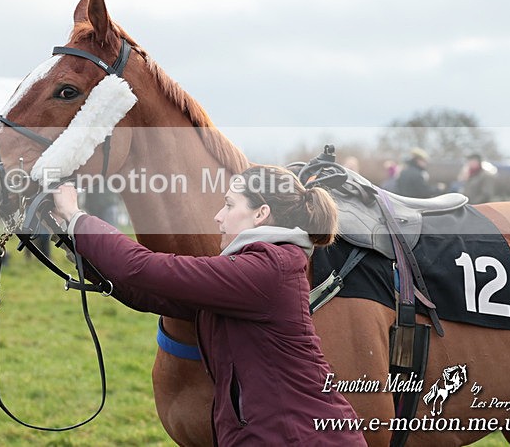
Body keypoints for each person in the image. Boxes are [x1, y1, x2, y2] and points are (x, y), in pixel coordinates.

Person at [52, 166, 366, 445]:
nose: (218, 216)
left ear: (261, 214)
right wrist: (74, 243)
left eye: (229, 205)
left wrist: (78, 218)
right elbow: (147, 293)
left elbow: (144, 268)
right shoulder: (259, 267)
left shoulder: (268, 268)